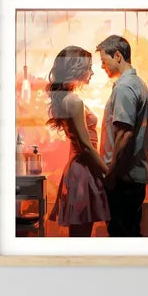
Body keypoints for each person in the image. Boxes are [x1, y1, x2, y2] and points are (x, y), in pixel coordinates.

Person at [44, 46, 110, 238]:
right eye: (89, 67)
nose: (92, 72)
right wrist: (107, 174)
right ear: (77, 68)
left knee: (80, 235)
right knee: (81, 236)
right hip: (83, 171)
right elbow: (86, 146)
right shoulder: (74, 101)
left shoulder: (66, 99)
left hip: (79, 170)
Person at [96, 35, 148, 237]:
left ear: (118, 56)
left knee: (121, 237)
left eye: (104, 61)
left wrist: (111, 175)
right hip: (133, 177)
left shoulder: (124, 88)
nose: (103, 66)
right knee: (130, 234)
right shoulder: (140, 85)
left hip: (123, 179)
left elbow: (125, 135)